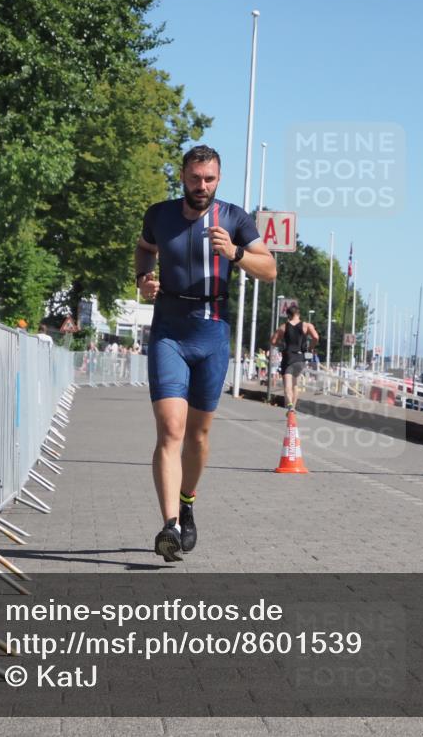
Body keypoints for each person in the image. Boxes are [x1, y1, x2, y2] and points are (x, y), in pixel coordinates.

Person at [135, 145, 276, 562]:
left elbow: (270, 269)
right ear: (182, 175)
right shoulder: (160, 214)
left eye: (209, 179)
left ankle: (187, 502)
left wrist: (235, 253)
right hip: (169, 330)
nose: (202, 186)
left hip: (212, 333)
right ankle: (170, 527)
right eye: (195, 178)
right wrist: (143, 278)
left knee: (197, 435)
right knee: (170, 429)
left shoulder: (234, 218)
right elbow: (145, 248)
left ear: (219, 179)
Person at [270, 304, 319, 412]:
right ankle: (293, 408)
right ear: (298, 314)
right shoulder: (307, 326)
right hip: (300, 358)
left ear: (288, 315)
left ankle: (289, 406)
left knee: (287, 386)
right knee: (295, 384)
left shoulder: (283, 327)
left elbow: (273, 341)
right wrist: (310, 348)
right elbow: (316, 337)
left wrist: (281, 344)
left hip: (288, 357)